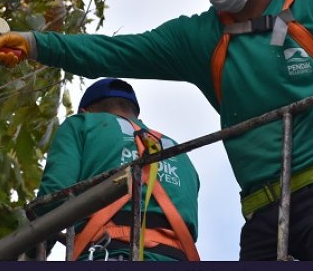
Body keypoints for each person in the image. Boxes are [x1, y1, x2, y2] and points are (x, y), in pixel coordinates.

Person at [0, 0, 313, 260]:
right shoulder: (200, 37)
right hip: (262, 211)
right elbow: (116, 50)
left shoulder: (310, 8)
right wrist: (35, 42)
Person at [34, 78, 201, 261]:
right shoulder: (179, 152)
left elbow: (53, 197)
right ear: (135, 114)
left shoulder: (82, 124)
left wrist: (31, 252)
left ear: (85, 111)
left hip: (108, 253)